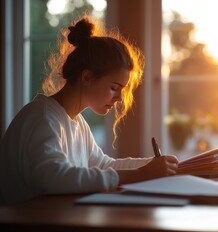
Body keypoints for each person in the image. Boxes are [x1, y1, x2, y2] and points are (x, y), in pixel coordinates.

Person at [0, 16, 178, 205]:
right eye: (114, 87)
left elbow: (104, 165)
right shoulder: (43, 118)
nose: (119, 98)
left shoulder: (76, 122)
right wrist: (138, 175)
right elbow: (53, 178)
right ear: (87, 77)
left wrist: (153, 166)